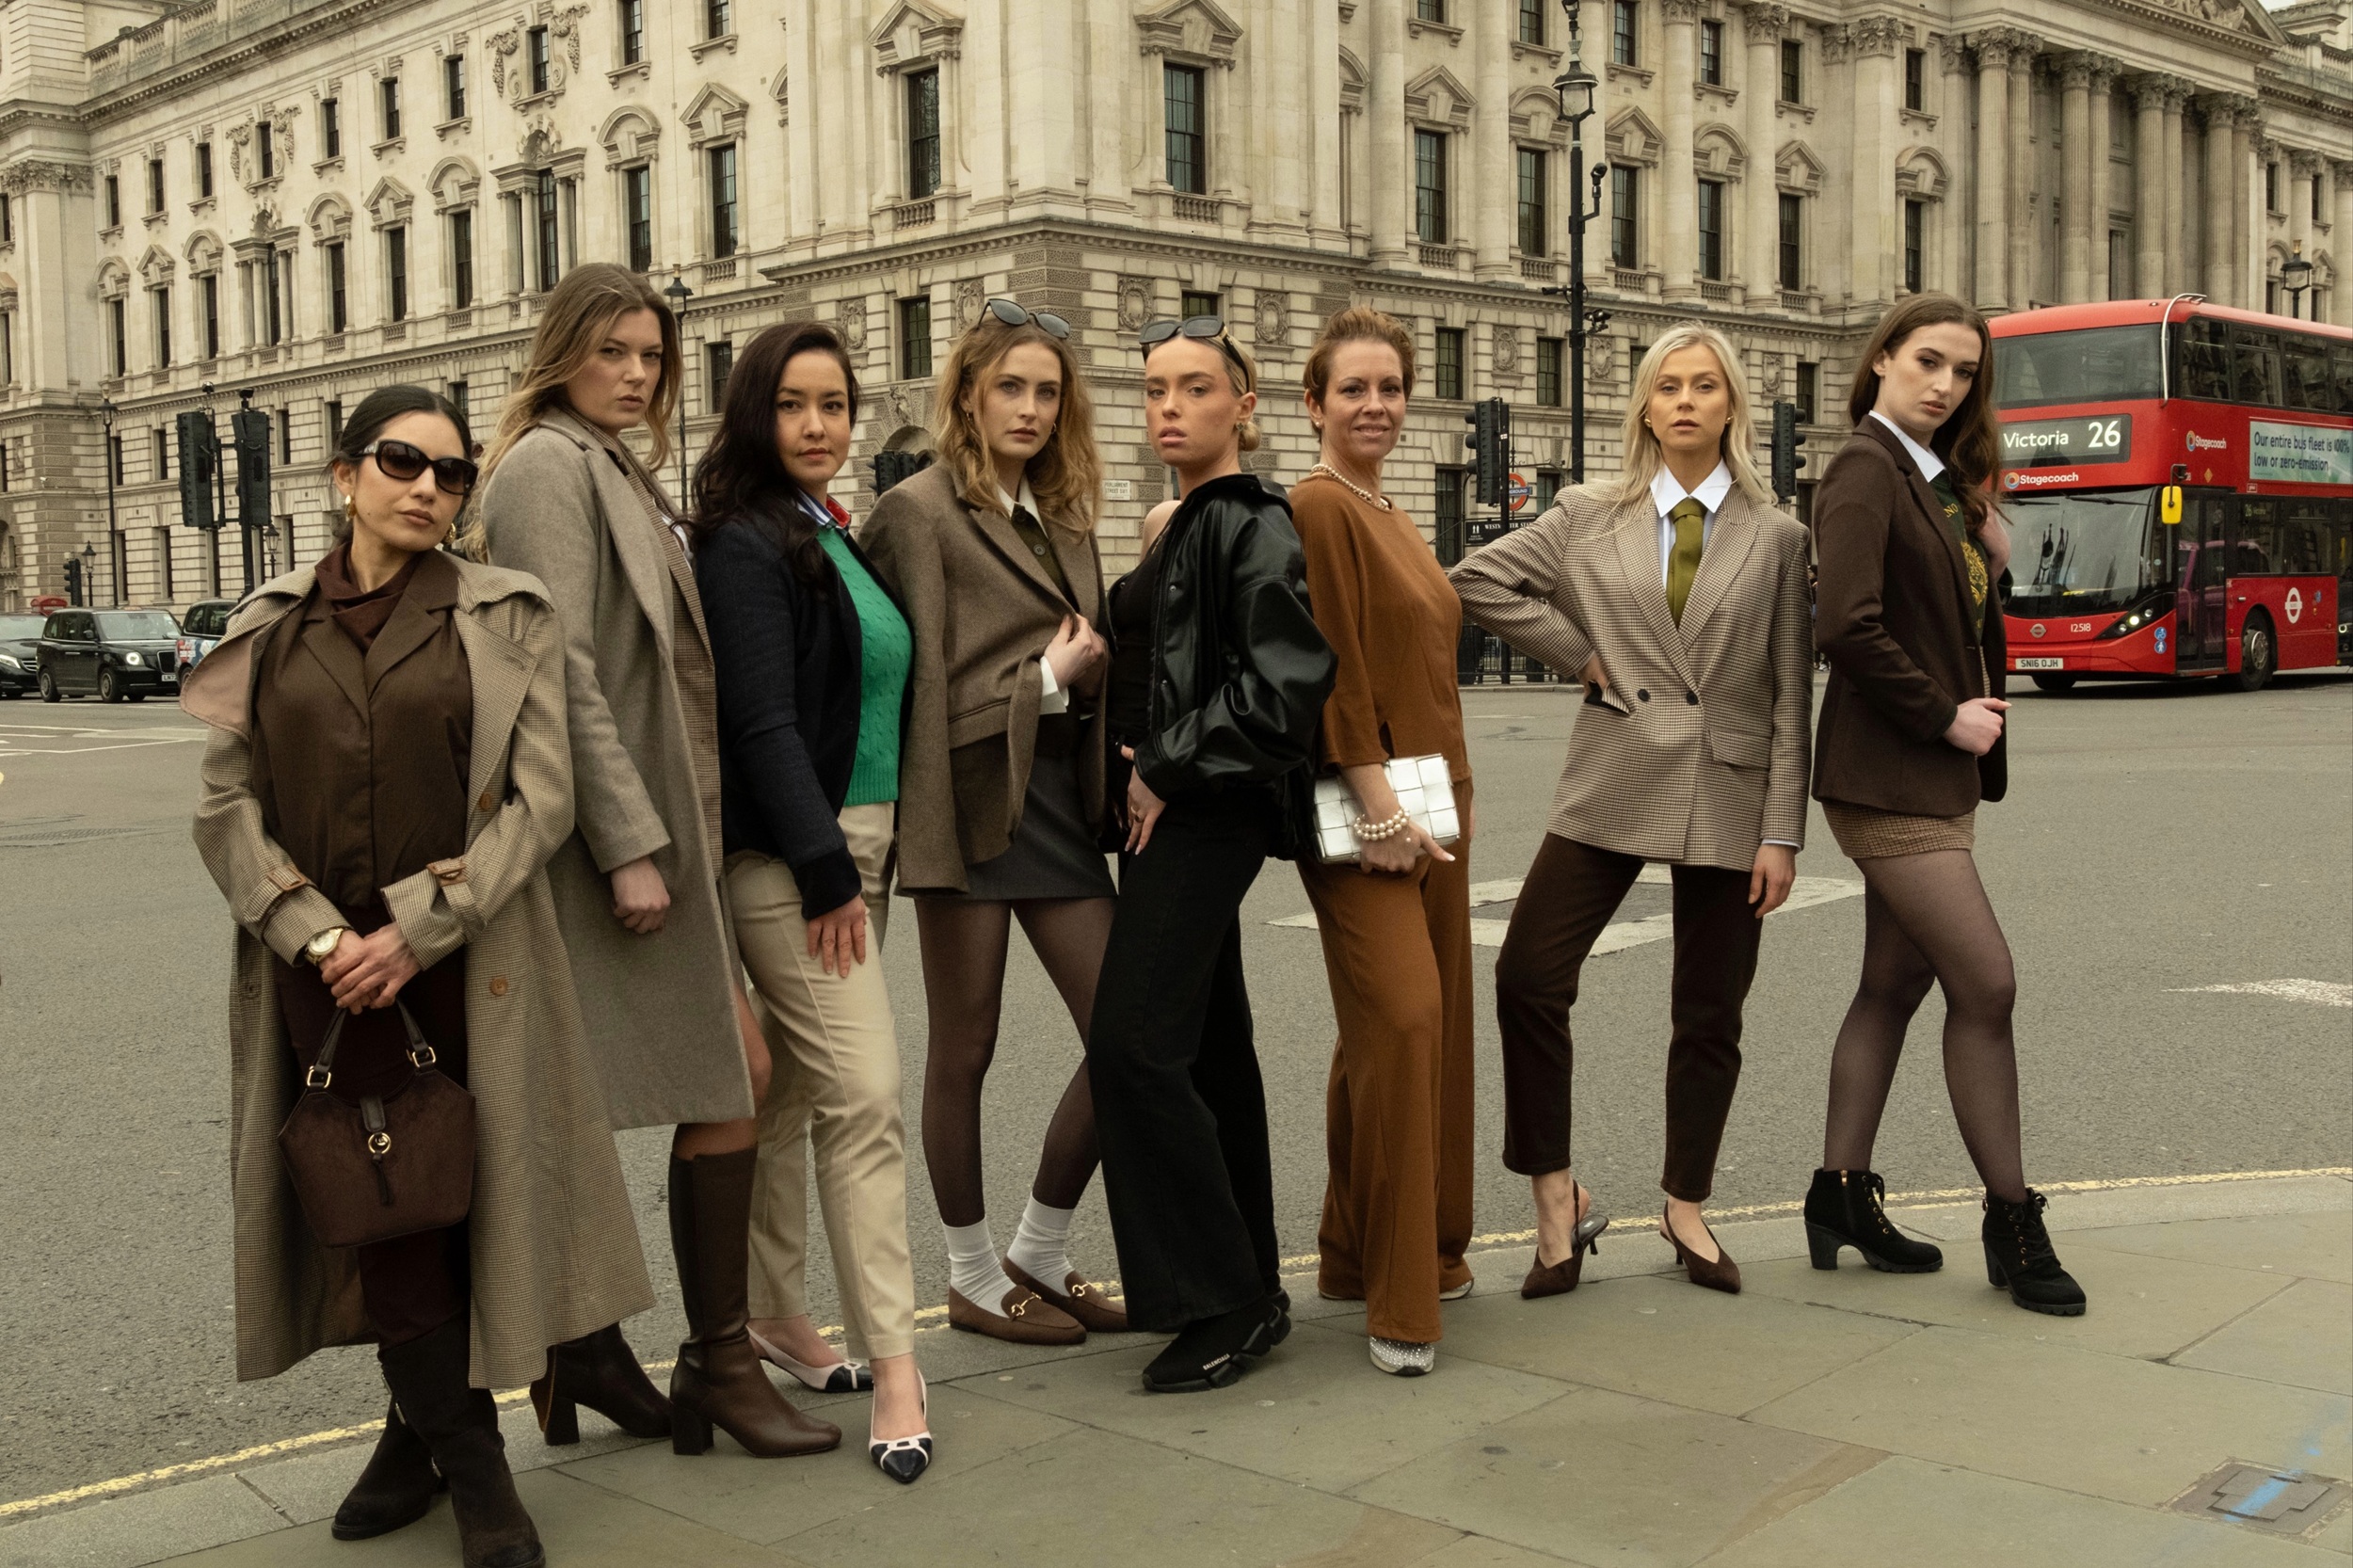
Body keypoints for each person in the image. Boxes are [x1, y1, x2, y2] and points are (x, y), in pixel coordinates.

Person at [186, 386, 654, 1568]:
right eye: (403, 461)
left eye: (451, 473)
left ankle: (421, 1440)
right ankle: (476, 1466)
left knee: (462, 1201)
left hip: (465, 960)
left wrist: (418, 927)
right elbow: (226, 804)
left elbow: (543, 798)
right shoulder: (271, 624)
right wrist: (313, 933)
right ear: (345, 475)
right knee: (384, 1202)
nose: (428, 488)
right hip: (324, 973)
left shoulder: (505, 613)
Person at [473, 264, 838, 1457]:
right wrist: (628, 844)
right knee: (730, 1077)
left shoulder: (611, 462)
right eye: (612, 352)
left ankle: (592, 1349)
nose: (636, 375)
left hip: (665, 828)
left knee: (642, 1092)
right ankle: (712, 1361)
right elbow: (559, 666)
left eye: (651, 356)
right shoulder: (546, 465)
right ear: (562, 352)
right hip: (613, 846)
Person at [1451, 324, 1813, 1301]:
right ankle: (1555, 1199)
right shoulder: (1587, 512)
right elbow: (1475, 581)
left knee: (1710, 1011)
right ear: (1645, 408)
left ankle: (1685, 1205)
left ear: (1731, 406)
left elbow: (1791, 693)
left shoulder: (1778, 536)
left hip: (1729, 786)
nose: (1685, 401)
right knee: (1528, 976)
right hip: (1613, 769)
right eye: (1668, 386)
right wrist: (1577, 653)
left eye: (1704, 386)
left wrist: (1782, 832)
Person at [1803, 292, 2086, 1317]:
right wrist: (1945, 716)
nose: (1945, 385)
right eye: (1927, 360)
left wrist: (1989, 562)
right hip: (1888, 774)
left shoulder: (1930, 478)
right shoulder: (1862, 467)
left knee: (1893, 983)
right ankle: (2012, 1219)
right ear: (1882, 358)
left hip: (1929, 775)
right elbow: (1846, 626)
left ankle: (1839, 1193)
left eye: (1964, 372)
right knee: (1987, 983)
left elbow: (1936, 619)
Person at [690, 320, 934, 1483]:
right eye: (792, 404)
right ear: (755, 413)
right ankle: (898, 1363)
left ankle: (773, 1313)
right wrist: (826, 866)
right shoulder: (744, 540)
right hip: (801, 860)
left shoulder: (827, 527)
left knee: (794, 1088)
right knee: (867, 1096)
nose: (818, 424)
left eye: (833, 404)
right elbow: (760, 721)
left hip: (857, 845)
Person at [860, 299, 1128, 1346]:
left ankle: (1039, 1249)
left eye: (1047, 392)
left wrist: (1093, 701)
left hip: (1058, 802)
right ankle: (971, 1275)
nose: (1029, 408)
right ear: (967, 395)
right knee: (965, 1043)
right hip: (966, 802)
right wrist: (1046, 683)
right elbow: (908, 687)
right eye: (1010, 387)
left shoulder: (1065, 513)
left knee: (1126, 1031)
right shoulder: (916, 511)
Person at [1086, 313, 1335, 1393]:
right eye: (1155, 389)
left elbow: (1283, 692)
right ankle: (1251, 1289)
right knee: (1206, 1049)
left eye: (1194, 387)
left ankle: (1220, 1296)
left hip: (1201, 812)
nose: (1169, 406)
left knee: (1133, 1047)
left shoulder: (1249, 522)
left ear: (1244, 406)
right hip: (1165, 816)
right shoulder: (1181, 522)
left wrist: (1163, 764)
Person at [1287, 307, 1476, 1378]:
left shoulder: (1389, 508)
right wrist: (1376, 808)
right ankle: (1401, 1300)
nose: (1375, 406)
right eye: (1353, 389)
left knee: (1406, 1034)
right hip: (1372, 809)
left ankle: (1362, 1253)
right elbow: (1333, 667)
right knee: (1405, 1021)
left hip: (1435, 801)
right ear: (1313, 403)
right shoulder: (1320, 505)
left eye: (1391, 388)